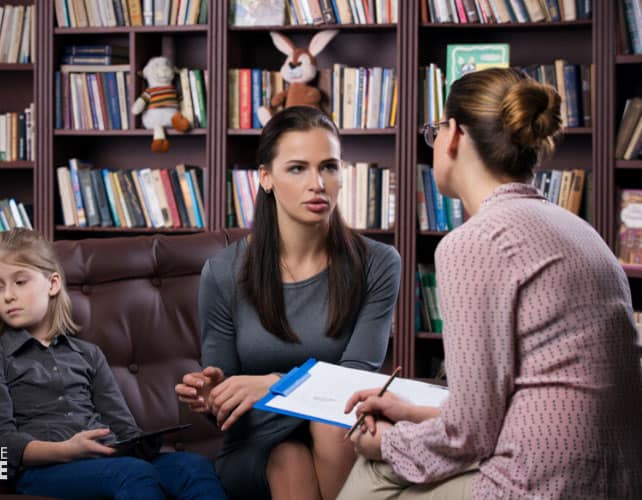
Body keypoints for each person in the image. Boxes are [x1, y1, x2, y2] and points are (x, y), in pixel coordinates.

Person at [338, 67, 642, 499]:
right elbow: (532, 394)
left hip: (541, 483)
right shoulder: (579, 230)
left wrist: (386, 441)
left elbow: (470, 433)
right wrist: (415, 413)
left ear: (456, 134)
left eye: (436, 129)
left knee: (374, 468)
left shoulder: (474, 243)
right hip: (616, 478)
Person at [175, 105, 402, 500]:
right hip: (256, 441)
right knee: (289, 458)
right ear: (266, 178)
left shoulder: (379, 264)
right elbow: (224, 403)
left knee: (329, 428)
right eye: (297, 168)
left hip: (340, 430)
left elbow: (353, 383)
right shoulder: (224, 272)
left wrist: (277, 383)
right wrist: (212, 396)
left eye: (329, 167)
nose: (317, 183)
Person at [0, 228, 227, 500]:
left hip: (107, 458)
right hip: (45, 469)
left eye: (20, 282)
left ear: (53, 284)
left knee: (192, 467)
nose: (7, 295)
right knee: (132, 474)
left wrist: (141, 443)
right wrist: (68, 450)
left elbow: (124, 428)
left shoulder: (88, 354)